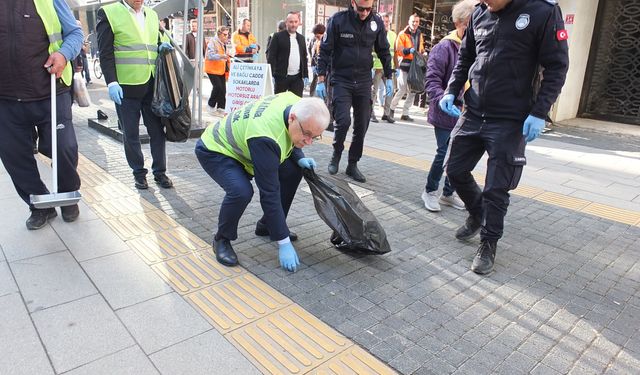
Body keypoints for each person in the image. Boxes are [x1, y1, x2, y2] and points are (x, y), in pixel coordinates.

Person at [439, 0, 569, 274]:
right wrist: (451, 89)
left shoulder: (542, 12)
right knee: (454, 169)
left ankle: (488, 244)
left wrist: (539, 111)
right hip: (474, 111)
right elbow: (466, 57)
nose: (486, 3)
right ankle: (477, 212)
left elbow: (557, 66)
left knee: (496, 188)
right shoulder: (479, 13)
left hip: (511, 118)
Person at [195, 93, 330, 272]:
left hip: (248, 147)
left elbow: (291, 135)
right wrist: (283, 242)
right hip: (217, 149)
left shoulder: (298, 105)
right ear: (292, 118)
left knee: (293, 170)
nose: (309, 142)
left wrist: (299, 157)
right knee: (241, 191)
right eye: (307, 134)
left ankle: (267, 225)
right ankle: (221, 239)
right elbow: (269, 192)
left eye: (316, 137)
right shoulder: (265, 135)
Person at [0, 0, 83, 229]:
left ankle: (68, 197)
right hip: (6, 97)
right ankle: (39, 205)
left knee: (64, 147)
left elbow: (74, 33)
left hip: (50, 90)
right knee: (13, 155)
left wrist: (64, 54)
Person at [97, 0, 174, 190]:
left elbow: (156, 41)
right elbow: (105, 52)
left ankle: (160, 172)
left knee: (157, 132)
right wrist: (112, 82)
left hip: (152, 85)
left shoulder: (152, 14)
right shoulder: (109, 12)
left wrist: (163, 45)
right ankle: (139, 173)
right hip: (125, 87)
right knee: (131, 133)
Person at [316, 0, 393, 183]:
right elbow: (325, 50)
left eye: (369, 8)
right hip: (342, 79)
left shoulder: (377, 23)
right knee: (343, 121)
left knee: (362, 124)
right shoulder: (338, 20)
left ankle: (352, 164)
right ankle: (336, 154)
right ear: (353, 3)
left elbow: (384, 50)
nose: (365, 12)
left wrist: (389, 76)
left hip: (364, 80)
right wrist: (320, 78)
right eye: (361, 8)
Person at [420, 0, 477, 213]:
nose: (472, 32)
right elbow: (432, 81)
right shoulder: (444, 47)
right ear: (458, 23)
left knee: (459, 155)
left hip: (468, 111)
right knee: (443, 152)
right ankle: (430, 191)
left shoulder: (476, 47)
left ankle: (448, 193)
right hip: (446, 110)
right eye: (468, 27)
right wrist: (445, 99)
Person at [390, 13, 425, 122]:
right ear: (409, 22)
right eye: (413, 21)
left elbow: (421, 48)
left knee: (413, 90)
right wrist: (408, 50)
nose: (415, 23)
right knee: (402, 89)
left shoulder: (419, 34)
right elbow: (399, 49)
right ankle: (391, 109)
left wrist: (423, 53)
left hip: (415, 66)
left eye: (417, 22)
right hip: (404, 66)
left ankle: (405, 113)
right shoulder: (402, 34)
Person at [267, 12, 309, 97]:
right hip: (281, 77)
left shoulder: (301, 38)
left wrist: (305, 75)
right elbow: (271, 56)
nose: (293, 24)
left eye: (295, 22)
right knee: (279, 103)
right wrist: (271, 74)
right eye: (291, 22)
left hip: (297, 78)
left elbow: (304, 57)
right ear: (286, 23)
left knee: (296, 104)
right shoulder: (277, 36)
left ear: (299, 22)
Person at [371, 12, 397, 123]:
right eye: (384, 21)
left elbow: (395, 52)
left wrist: (397, 67)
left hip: (388, 68)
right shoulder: (374, 33)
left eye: (387, 21)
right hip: (376, 67)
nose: (386, 24)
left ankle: (386, 114)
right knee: (374, 92)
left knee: (390, 91)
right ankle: (371, 113)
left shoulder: (393, 35)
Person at [205, 26, 231, 112]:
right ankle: (210, 105)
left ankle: (221, 107)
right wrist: (222, 56)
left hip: (220, 69)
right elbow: (210, 55)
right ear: (219, 34)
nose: (226, 36)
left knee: (223, 89)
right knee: (217, 87)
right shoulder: (213, 42)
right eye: (224, 34)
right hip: (212, 69)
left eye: (227, 34)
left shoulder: (223, 43)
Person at [308, 23, 325, 97]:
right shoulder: (315, 40)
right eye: (315, 36)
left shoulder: (326, 41)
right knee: (314, 84)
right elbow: (311, 51)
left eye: (317, 36)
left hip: (324, 69)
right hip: (316, 66)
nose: (316, 37)